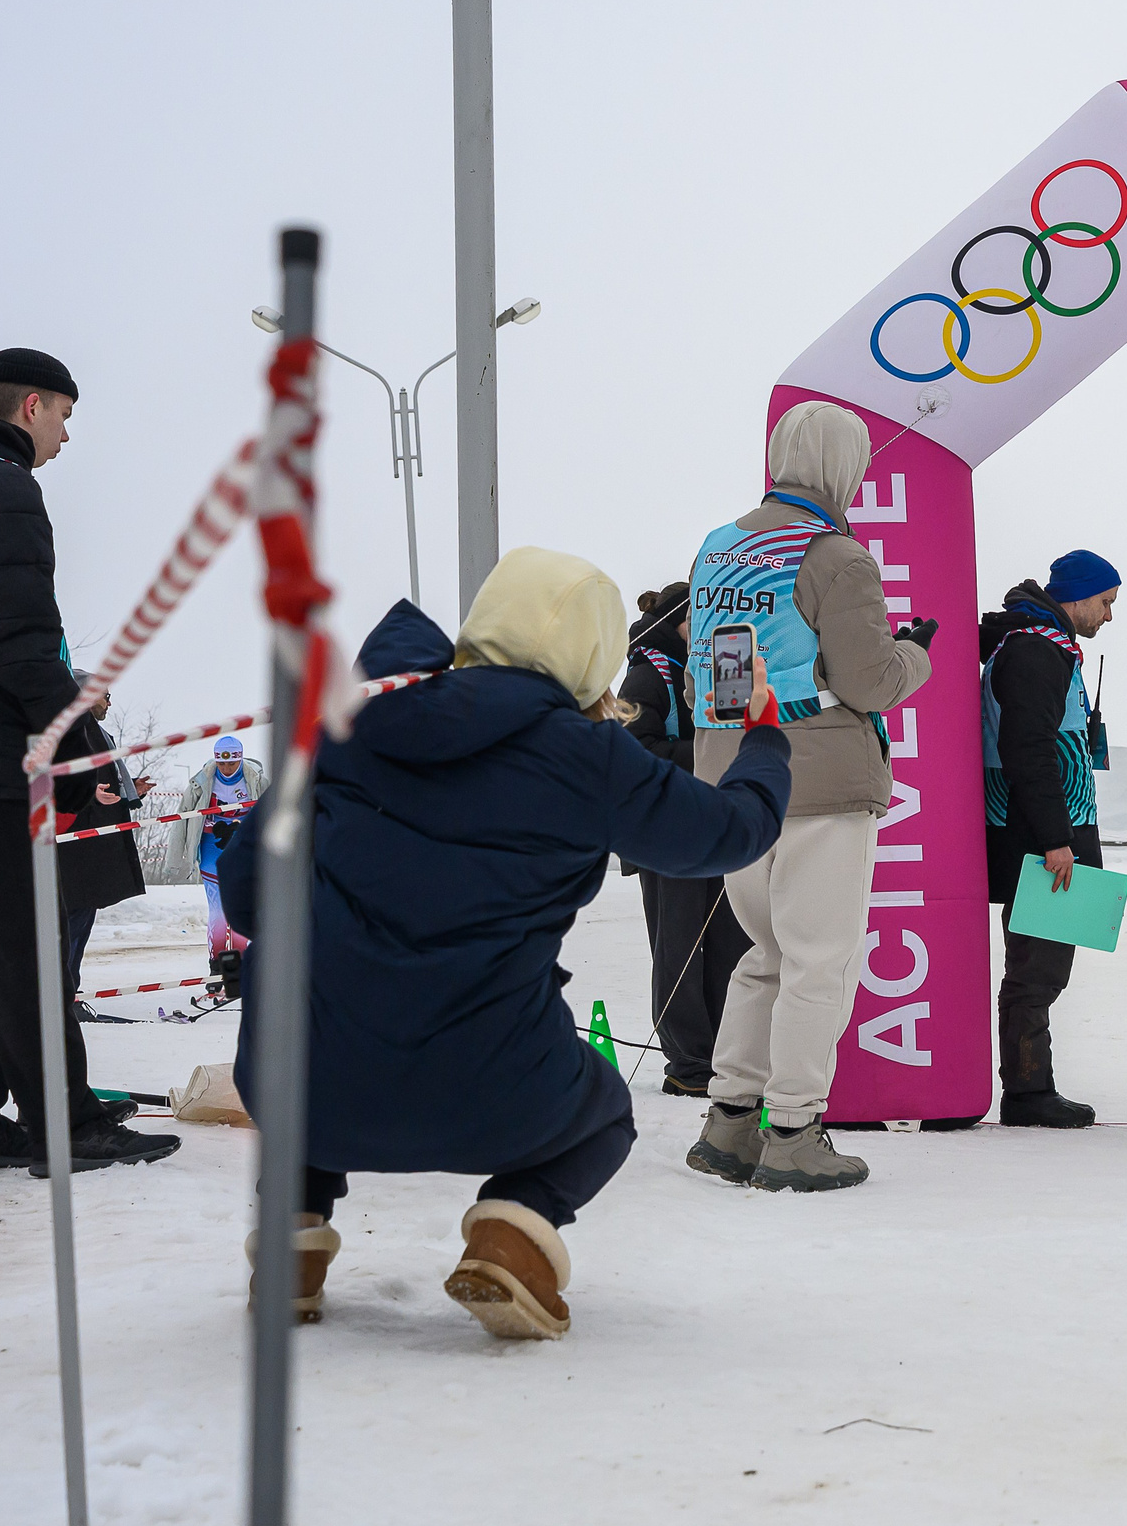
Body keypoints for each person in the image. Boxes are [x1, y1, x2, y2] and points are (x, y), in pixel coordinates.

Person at [224, 550, 791, 1338]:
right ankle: (511, 1233)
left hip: (298, 1088)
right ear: (592, 657)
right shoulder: (589, 756)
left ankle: (290, 1239)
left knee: (322, 1018)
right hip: (489, 1089)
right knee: (601, 1115)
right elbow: (729, 834)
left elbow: (250, 893)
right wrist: (764, 738)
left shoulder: (345, 724)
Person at [686, 400, 931, 1193]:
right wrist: (915, 655)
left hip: (730, 779)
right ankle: (792, 1131)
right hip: (819, 782)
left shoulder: (720, 547)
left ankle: (729, 1121)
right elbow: (870, 681)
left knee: (765, 953)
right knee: (819, 960)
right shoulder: (836, 557)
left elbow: (723, 671)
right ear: (841, 465)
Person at [0, 346, 178, 1173]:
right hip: (6, 765)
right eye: (65, 415)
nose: (66, 436)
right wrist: (74, 731)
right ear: (31, 406)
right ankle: (65, 1127)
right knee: (28, 947)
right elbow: (19, 639)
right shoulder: (8, 487)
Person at [978, 549, 1121, 1127]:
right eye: (1106, 602)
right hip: (1042, 840)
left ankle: (1032, 1085)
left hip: (1049, 829)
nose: (1109, 615)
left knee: (1043, 966)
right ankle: (1029, 1092)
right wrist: (1055, 839)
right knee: (1037, 970)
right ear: (1078, 596)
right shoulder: (1038, 650)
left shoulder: (1041, 645)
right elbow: (1027, 750)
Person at [619, 580, 752, 1095]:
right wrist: (709, 758)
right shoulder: (644, 676)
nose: (708, 629)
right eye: (697, 620)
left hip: (717, 825)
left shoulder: (724, 665)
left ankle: (728, 1052)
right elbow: (632, 752)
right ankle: (689, 1063)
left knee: (732, 941)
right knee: (679, 946)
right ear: (676, 624)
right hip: (664, 833)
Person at [56, 675, 151, 1022]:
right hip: (75, 849)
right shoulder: (71, 727)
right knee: (69, 923)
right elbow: (61, 775)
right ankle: (61, 997)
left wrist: (131, 790)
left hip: (92, 847)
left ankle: (67, 993)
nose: (109, 702)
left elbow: (101, 775)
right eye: (105, 696)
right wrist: (89, 790)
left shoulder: (92, 730)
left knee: (79, 921)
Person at [179, 734, 264, 976]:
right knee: (218, 911)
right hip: (211, 849)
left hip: (244, 851)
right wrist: (178, 858)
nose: (226, 768)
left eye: (232, 763)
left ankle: (238, 966)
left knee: (240, 908)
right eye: (222, 763)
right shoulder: (201, 782)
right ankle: (217, 964)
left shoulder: (256, 780)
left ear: (240, 759)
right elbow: (182, 819)